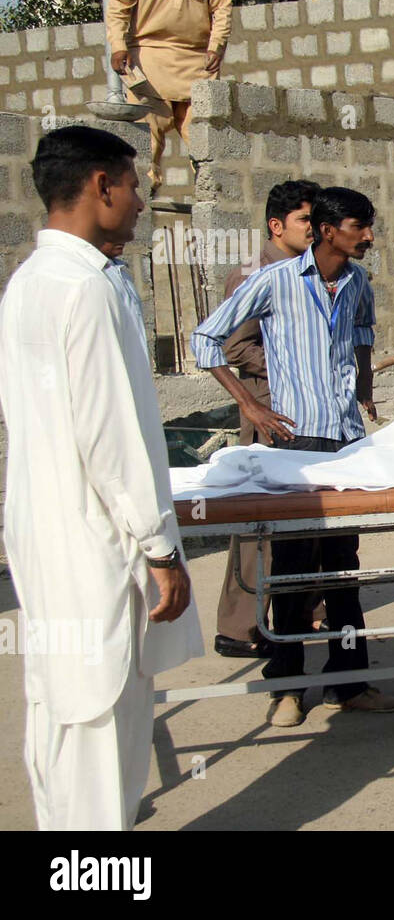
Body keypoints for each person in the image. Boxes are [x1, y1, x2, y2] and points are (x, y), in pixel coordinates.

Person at [0, 125, 203, 829]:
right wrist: (159, 549)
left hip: (48, 533)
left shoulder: (32, 282)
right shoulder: (83, 289)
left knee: (61, 716)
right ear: (100, 185)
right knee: (103, 725)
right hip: (97, 542)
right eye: (136, 183)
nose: (143, 199)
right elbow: (111, 436)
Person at [191, 187, 394, 727]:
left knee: (342, 568)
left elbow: (360, 335)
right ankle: (285, 688)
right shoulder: (275, 282)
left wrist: (364, 390)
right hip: (295, 443)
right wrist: (251, 407)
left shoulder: (357, 283)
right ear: (328, 231)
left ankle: (349, 683)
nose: (370, 236)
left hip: (345, 441)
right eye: (361, 226)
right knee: (291, 567)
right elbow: (207, 341)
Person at [212, 180, 323, 659]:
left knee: (309, 517)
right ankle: (239, 628)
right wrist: (298, 361)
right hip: (270, 411)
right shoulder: (255, 274)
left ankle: (306, 610)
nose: (314, 229)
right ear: (277, 226)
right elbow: (234, 346)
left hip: (307, 416)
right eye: (305, 221)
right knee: (261, 526)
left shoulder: (307, 269)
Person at [107, 0, 232, 194]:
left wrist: (216, 47)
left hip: (197, 60)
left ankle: (211, 202)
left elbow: (222, 8)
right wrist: (118, 46)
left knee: (206, 146)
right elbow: (119, 4)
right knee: (145, 148)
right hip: (150, 56)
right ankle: (142, 202)